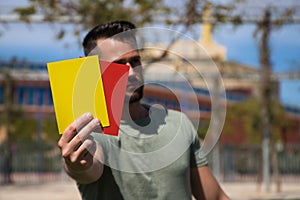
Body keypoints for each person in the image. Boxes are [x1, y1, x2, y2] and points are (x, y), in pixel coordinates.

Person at [58, 20, 229, 200]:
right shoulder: (91, 129)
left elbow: (215, 197)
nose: (131, 72)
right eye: (118, 64)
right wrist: (78, 165)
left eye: (135, 61)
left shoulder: (179, 123)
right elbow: (88, 168)